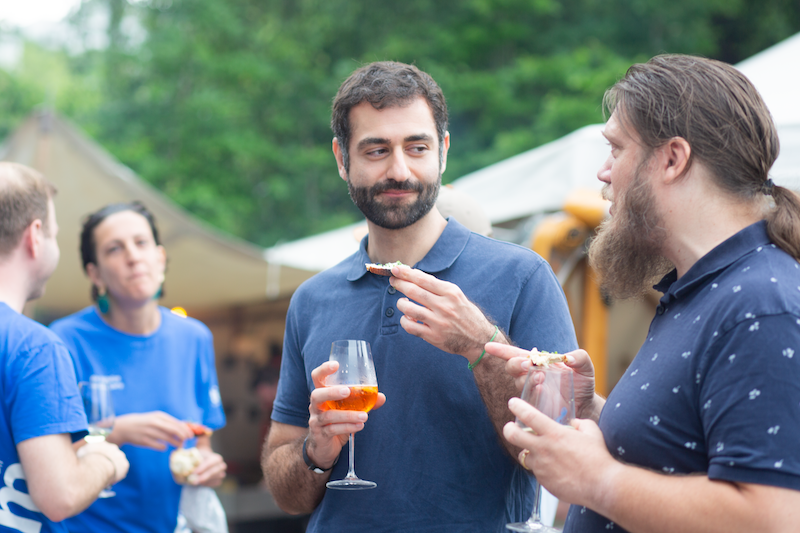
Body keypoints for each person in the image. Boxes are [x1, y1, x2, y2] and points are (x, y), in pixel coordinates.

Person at [262, 61, 577, 532]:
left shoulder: (524, 275)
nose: (399, 170)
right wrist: (315, 450)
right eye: (375, 150)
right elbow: (285, 492)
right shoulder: (312, 299)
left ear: (443, 151)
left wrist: (480, 344)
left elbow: (562, 459)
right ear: (341, 158)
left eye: (417, 147)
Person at [491, 54, 800, 533]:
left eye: (615, 149)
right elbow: (683, 455)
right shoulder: (704, 287)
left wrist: (597, 481)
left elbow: (772, 517)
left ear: (673, 159)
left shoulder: (760, 304)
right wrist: (594, 408)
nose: (603, 172)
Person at [49, 202, 227, 533]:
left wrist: (207, 465)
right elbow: (47, 452)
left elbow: (201, 439)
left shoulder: (195, 337)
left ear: (160, 257)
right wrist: (115, 431)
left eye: (141, 243)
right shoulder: (62, 340)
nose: (133, 256)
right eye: (115, 249)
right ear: (95, 273)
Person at [0, 162, 129, 532]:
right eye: (54, 234)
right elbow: (60, 496)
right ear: (35, 235)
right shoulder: (34, 348)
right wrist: (107, 462)